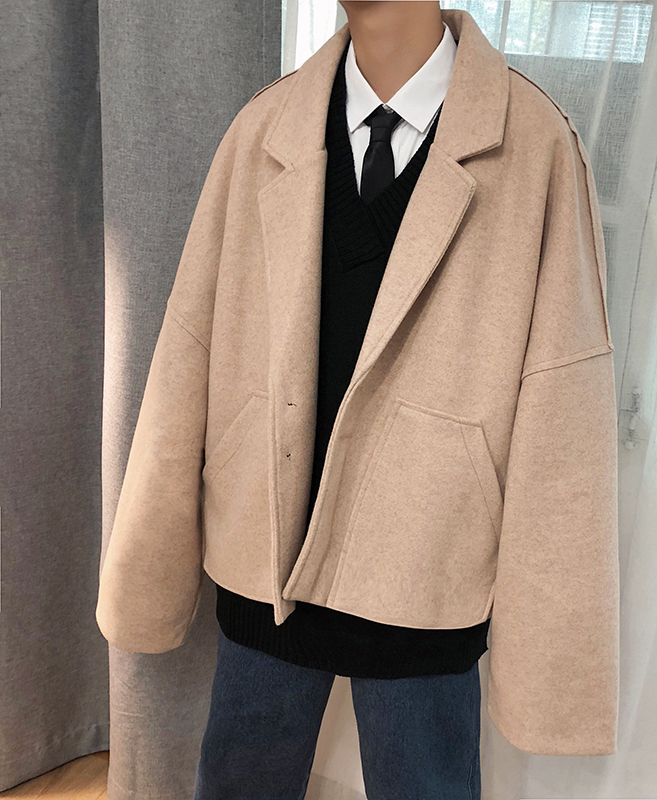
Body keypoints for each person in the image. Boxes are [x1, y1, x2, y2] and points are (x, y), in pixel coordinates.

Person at [96, 3, 621, 797]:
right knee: (238, 783)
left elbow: (564, 406)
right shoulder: (264, 129)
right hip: (266, 562)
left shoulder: (535, 146)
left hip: (426, 574)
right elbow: (189, 349)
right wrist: (151, 564)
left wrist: (549, 652)